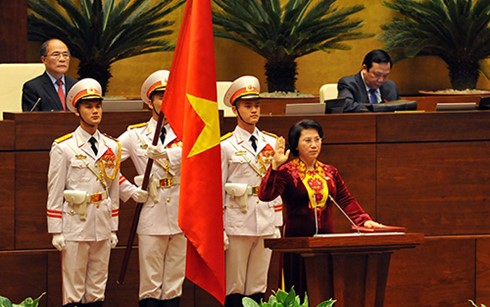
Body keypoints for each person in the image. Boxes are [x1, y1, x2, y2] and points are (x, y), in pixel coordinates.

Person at [258, 118, 386, 299]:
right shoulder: (287, 171)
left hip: (326, 243)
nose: (314, 145)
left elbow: (345, 199)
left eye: (317, 139)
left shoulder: (329, 172)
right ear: (295, 144)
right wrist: (275, 167)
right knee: (299, 292)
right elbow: (265, 195)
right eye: (307, 141)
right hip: (297, 243)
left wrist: (364, 220)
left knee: (326, 290)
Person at [46, 78, 120, 307]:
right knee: (74, 288)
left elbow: (113, 189)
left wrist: (114, 227)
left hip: (102, 223)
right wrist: (56, 231)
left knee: (98, 287)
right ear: (77, 111)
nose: (95, 111)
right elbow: (55, 190)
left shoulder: (112, 146)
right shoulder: (64, 147)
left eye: (98, 106)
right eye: (88, 106)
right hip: (76, 224)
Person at [118, 70, 186, 307]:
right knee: (151, 284)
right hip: (152, 210)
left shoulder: (185, 132)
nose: (164, 102)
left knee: (174, 282)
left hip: (180, 212)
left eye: (169, 96)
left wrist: (168, 154)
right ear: (150, 102)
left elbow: (198, 161)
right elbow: (105, 163)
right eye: (159, 96)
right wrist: (128, 190)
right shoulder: (135, 135)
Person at [221, 75, 283, 307]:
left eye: (256, 105)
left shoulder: (272, 142)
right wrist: (220, 228)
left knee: (258, 283)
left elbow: (277, 186)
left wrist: (277, 222)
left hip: (265, 218)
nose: (254, 110)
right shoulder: (226, 146)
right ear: (235, 110)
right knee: (235, 285)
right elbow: (218, 187)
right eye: (248, 106)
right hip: (238, 220)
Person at [22, 38, 78, 112]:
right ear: (44, 59)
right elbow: (30, 119)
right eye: (56, 55)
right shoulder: (33, 87)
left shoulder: (75, 85)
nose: (62, 59)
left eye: (65, 55)